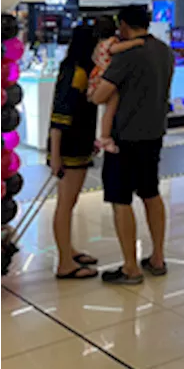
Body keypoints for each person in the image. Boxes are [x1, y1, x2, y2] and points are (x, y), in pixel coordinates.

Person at [90, 5, 175, 285]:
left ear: (123, 24)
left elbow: (101, 95)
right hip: (154, 133)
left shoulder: (128, 54)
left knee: (120, 198)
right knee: (151, 192)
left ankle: (130, 267)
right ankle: (158, 257)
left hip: (124, 137)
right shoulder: (164, 51)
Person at [47, 26, 102, 280]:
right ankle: (65, 263)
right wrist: (56, 156)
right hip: (70, 148)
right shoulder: (78, 74)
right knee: (66, 205)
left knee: (69, 203)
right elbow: (61, 116)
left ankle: (68, 250)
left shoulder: (74, 69)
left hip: (76, 144)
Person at [87, 15, 144, 154]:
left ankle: (102, 136)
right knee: (111, 109)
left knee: (106, 111)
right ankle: (105, 138)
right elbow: (115, 49)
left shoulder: (98, 45)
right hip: (106, 79)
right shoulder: (111, 43)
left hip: (97, 78)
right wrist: (136, 42)